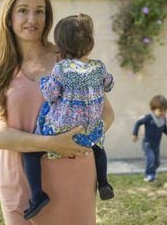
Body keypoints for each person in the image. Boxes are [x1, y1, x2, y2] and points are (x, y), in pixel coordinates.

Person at [0, 0, 114, 225]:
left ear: (47, 17)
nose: (32, 18)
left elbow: (106, 112)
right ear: (9, 18)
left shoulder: (67, 58)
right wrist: (50, 143)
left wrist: (83, 139)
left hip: (75, 179)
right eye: (23, 11)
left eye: (40, 11)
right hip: (22, 185)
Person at [22, 13, 115, 219]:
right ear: (90, 43)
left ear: (61, 47)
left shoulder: (60, 69)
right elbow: (109, 84)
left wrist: (45, 81)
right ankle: (104, 182)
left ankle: (37, 195)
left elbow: (50, 95)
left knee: (30, 154)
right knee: (99, 147)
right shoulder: (99, 67)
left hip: (59, 130)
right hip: (88, 131)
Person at [132, 95, 167, 182]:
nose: (163, 113)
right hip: (147, 144)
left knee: (157, 162)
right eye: (161, 110)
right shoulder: (148, 118)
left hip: (156, 145)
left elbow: (164, 127)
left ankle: (152, 173)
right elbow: (138, 123)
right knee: (151, 159)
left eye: (165, 110)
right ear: (153, 109)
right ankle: (149, 175)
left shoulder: (163, 119)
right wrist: (135, 134)